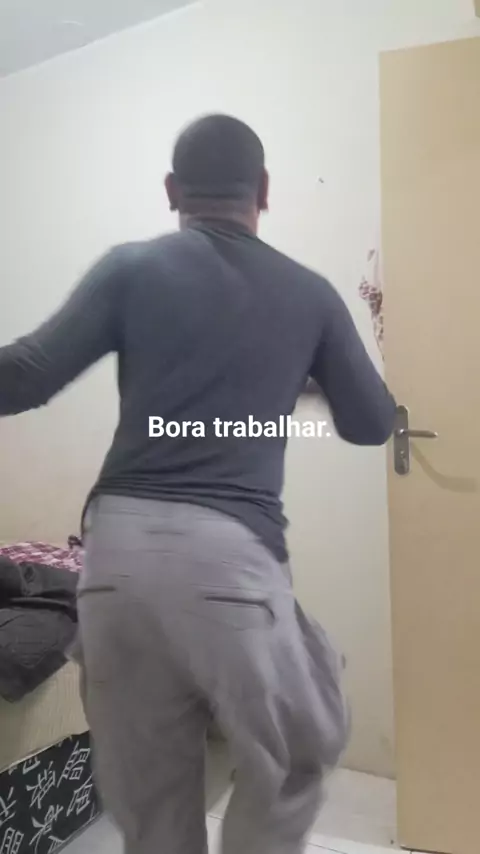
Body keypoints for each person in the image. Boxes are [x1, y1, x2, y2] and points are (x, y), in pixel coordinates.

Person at [0, 115, 396, 854]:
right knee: (298, 749)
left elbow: (24, 375)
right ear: (264, 190)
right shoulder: (308, 293)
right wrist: (304, 376)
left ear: (172, 190)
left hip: (114, 564)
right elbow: (373, 423)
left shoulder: (130, 268)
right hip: (230, 565)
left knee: (153, 812)